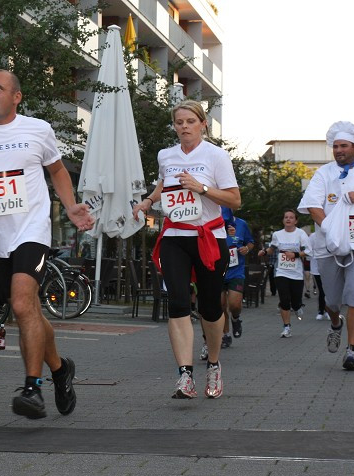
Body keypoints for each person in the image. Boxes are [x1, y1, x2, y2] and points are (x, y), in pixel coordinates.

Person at [0, 69, 94, 419]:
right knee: (31, 312)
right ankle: (59, 369)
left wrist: (70, 207)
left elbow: (56, 170)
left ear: (16, 97)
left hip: (32, 230)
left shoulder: (38, 129)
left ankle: (32, 388)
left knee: (23, 305)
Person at [132, 99, 240, 399]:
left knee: (209, 306)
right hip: (175, 236)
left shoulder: (216, 156)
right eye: (179, 122)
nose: (184, 127)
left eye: (190, 122)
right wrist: (148, 201)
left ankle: (214, 364)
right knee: (177, 302)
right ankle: (185, 375)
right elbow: (163, 186)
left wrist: (201, 188)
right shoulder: (166, 155)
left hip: (209, 237)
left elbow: (234, 200)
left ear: (202, 124)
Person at [297, 121, 354, 371]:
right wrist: (329, 229)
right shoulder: (323, 173)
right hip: (328, 244)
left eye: (344, 146)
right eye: (335, 146)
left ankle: (351, 351)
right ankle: (336, 324)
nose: (338, 150)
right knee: (332, 300)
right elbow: (312, 205)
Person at [258, 210, 309, 338]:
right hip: (281, 271)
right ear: (283, 220)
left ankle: (297, 307)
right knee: (284, 300)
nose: (288, 219)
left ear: (296, 221)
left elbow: (308, 251)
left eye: (291, 217)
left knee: (296, 301)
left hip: (296, 272)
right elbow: (272, 248)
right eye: (286, 217)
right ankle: (287, 327)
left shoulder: (301, 234)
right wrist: (264, 252)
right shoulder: (277, 234)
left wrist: (295, 254)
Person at [220, 206, 253, 346]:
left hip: (236, 271)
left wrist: (246, 248)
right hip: (218, 272)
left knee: (234, 304)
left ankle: (235, 318)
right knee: (220, 306)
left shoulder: (241, 224)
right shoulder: (213, 226)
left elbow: (250, 242)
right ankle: (225, 335)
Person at [305, 231, 329, 320]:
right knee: (321, 290)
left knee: (328, 290)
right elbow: (308, 250)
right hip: (317, 268)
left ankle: (328, 310)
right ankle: (321, 311)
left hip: (329, 267)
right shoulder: (313, 236)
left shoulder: (331, 233)